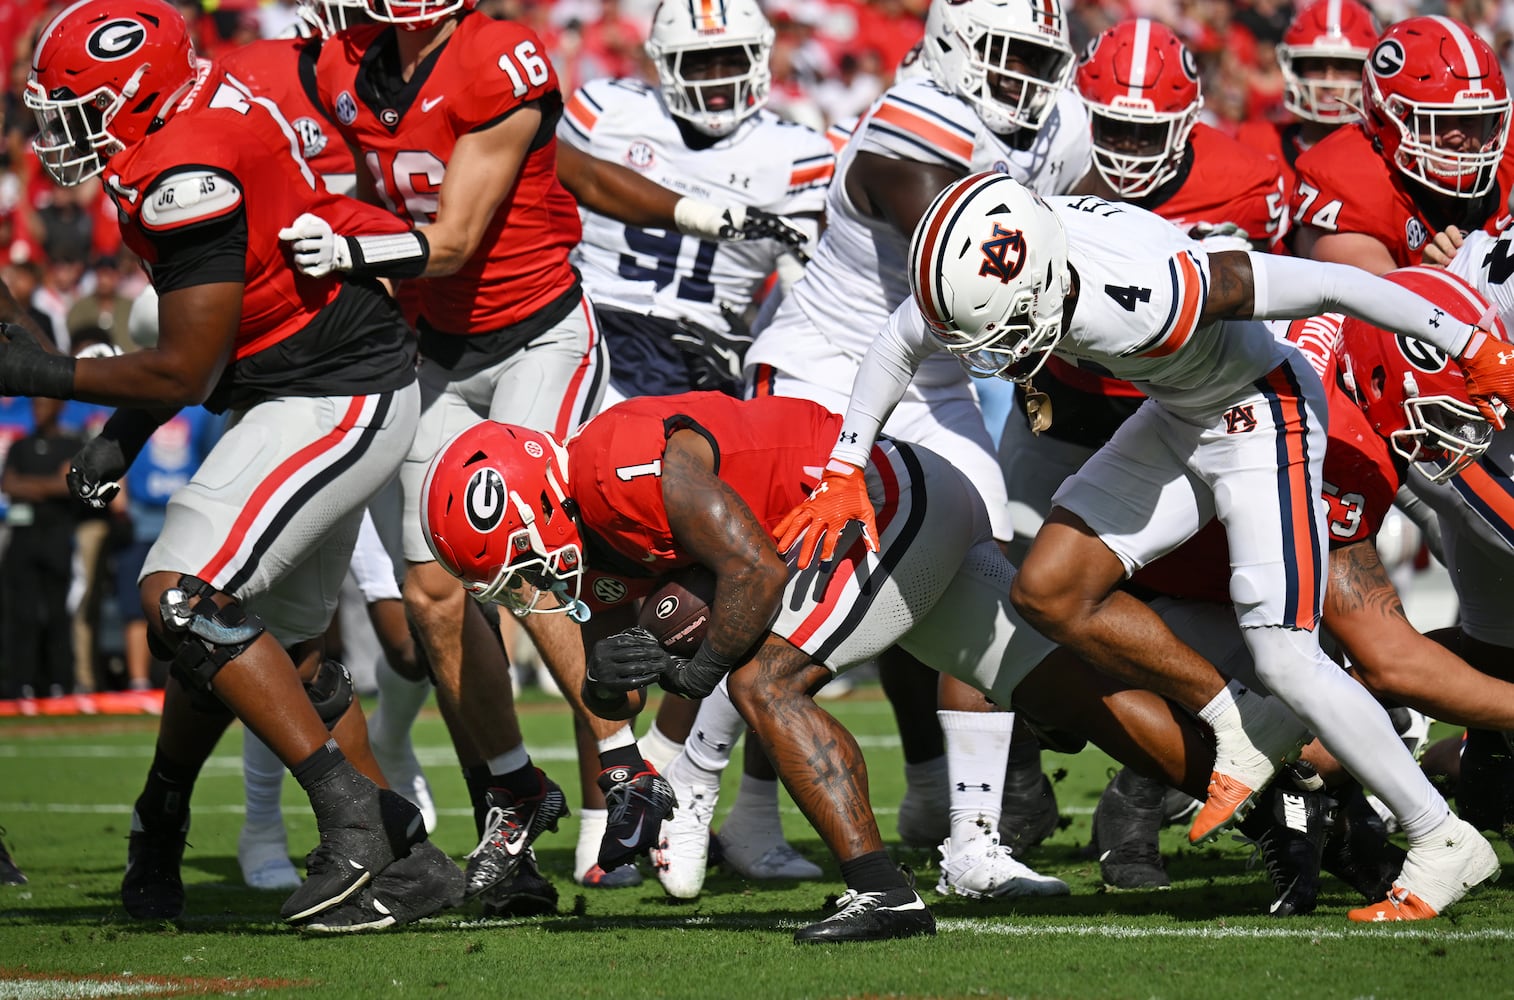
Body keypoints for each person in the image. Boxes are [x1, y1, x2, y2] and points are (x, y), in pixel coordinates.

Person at [779, 171, 1514, 921]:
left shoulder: (1153, 288)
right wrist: (844, 468)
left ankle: (1440, 836)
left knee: (1285, 654)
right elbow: (898, 339)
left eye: (1005, 329)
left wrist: (1470, 342)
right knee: (1049, 590)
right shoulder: (995, 268)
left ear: (1041, 282)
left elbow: (1332, 283)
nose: (996, 350)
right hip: (1179, 411)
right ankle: (1241, 721)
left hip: (1259, 409)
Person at [285, 0, 815, 895]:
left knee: (532, 552)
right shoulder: (338, 67)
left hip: (537, 334)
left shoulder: (499, 57)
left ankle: (624, 768)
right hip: (433, 349)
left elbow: (458, 238)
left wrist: (344, 248)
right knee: (432, 593)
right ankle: (511, 794)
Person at [420, 393, 1248, 939]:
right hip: (874, 523)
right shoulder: (587, 529)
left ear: (535, 502)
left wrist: (694, 675)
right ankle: (1275, 796)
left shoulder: (624, 468)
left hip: (887, 500)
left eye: (520, 563)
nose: (529, 586)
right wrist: (617, 713)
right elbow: (617, 670)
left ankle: (882, 889)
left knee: (762, 681)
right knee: (1072, 695)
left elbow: (755, 574)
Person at [16, 0, 454, 932]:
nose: (62, 134)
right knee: (272, 650)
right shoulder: (191, 118)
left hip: (335, 391)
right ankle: (404, 859)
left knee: (182, 597)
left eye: (80, 110)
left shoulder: (185, 168)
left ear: (137, 95)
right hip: (300, 383)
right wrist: (125, 432)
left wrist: (37, 372)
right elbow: (219, 327)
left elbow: (185, 365)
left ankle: (352, 825)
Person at [741, 0, 1091, 870]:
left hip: (936, 380)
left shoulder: (1062, 122)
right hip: (831, 363)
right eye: (1006, 53)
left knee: (975, 574)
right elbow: (968, 275)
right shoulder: (918, 119)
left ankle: (972, 832)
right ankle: (722, 803)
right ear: (953, 44)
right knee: (789, 587)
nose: (1025, 76)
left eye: (1039, 58)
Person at [557, 0, 834, 888]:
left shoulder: (799, 151)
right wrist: (711, 215)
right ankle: (607, 811)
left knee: (730, 598)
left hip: (712, 377)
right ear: (662, 62)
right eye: (700, 61)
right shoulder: (608, 109)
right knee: (596, 597)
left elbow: (821, 286)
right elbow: (567, 177)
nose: (717, 78)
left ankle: (704, 802)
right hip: (604, 349)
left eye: (731, 59)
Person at [1291, 16, 1513, 274]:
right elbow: (1375, 297)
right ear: (1385, 117)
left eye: (1470, 119)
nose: (1456, 136)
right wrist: (1429, 282)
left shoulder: (1507, 151)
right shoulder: (1347, 180)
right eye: (1434, 120)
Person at [1233, 0, 1379, 205]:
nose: (1328, 81)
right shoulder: (1254, 143)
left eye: (1344, 66)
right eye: (1316, 65)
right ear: (1295, 70)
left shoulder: (1382, 160)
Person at [0, 396, 83, 700]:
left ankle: (60, 681)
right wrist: (49, 484)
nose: (38, 410)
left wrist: (30, 485)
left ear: (59, 407)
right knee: (22, 613)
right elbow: (8, 484)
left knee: (57, 612)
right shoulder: (21, 446)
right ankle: (21, 682)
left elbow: (69, 485)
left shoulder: (71, 445)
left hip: (57, 537)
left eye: (45, 404)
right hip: (23, 537)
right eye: (35, 405)